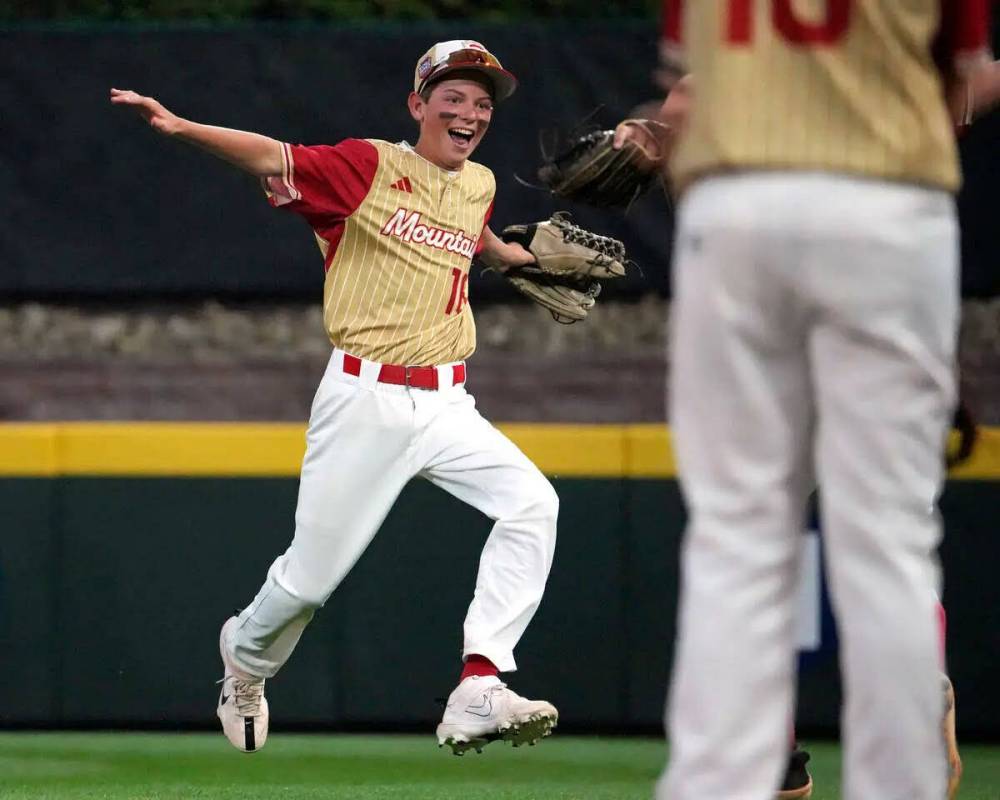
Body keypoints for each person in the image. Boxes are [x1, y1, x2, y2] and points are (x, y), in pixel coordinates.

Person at [110, 39, 560, 756]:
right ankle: (245, 664)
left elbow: (464, 231)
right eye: (454, 96)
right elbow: (272, 156)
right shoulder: (367, 165)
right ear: (419, 104)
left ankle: (479, 682)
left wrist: (508, 255)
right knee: (307, 585)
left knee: (534, 505)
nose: (470, 111)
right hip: (365, 398)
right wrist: (182, 126)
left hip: (449, 403)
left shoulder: (477, 183)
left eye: (482, 101)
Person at [645, 3, 991, 800]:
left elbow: (683, 95)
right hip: (888, 205)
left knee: (737, 535)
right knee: (888, 539)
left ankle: (726, 779)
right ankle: (900, 771)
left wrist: (643, 144)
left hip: (738, 205)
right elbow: (960, 77)